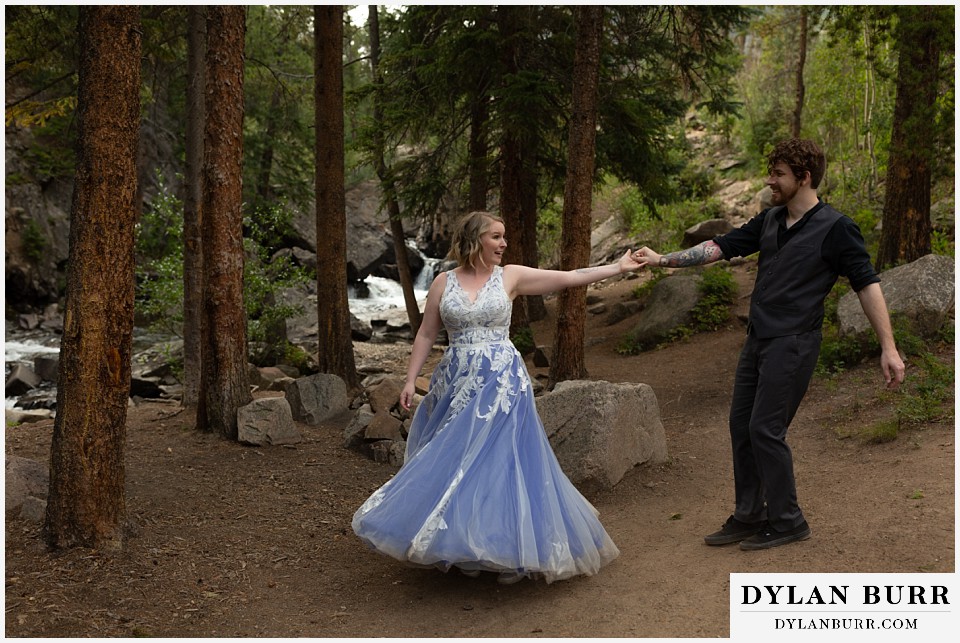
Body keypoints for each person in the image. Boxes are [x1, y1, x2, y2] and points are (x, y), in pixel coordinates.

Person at [633, 138, 905, 551]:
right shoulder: (771, 220)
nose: (770, 180)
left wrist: (888, 347)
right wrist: (661, 260)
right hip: (758, 340)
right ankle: (750, 514)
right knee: (741, 426)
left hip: (794, 343)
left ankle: (788, 520)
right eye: (771, 172)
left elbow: (867, 285)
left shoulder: (837, 228)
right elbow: (719, 247)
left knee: (765, 429)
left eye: (778, 174)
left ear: (804, 177)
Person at [353, 210, 644, 583]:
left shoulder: (511, 276)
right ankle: (459, 542)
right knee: (456, 457)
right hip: (455, 381)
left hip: (502, 382)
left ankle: (505, 546)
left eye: (503, 237)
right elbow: (427, 334)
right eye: (496, 237)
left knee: (500, 459)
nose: (504, 243)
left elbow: (569, 278)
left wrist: (618, 268)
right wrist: (410, 380)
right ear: (474, 240)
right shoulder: (443, 282)